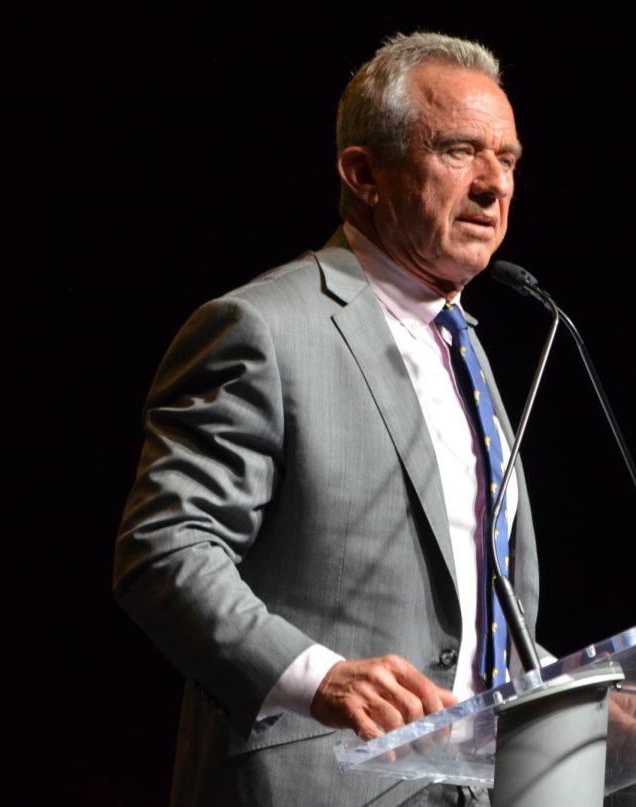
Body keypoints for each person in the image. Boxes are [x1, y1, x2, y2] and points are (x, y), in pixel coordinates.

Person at [114, 32, 537, 806]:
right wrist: (322, 678)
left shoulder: (468, 355)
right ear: (363, 173)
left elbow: (471, 631)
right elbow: (163, 549)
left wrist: (589, 705)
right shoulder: (264, 328)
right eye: (458, 151)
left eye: (507, 160)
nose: (491, 186)